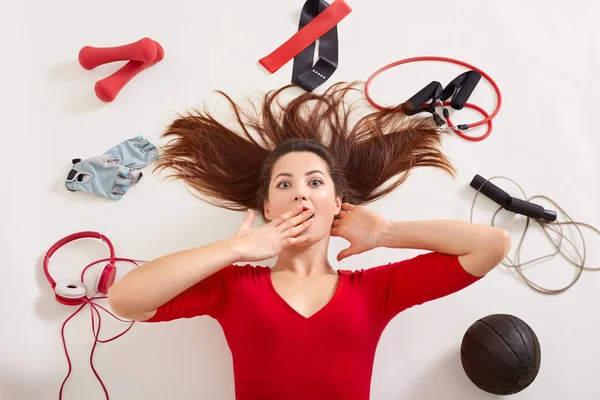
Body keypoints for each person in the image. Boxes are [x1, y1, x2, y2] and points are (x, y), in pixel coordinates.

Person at [108, 82, 511, 400]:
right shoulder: (233, 286)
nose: (301, 194)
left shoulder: (376, 291)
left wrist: (386, 234)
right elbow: (125, 300)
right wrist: (233, 250)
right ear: (268, 207)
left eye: (315, 183)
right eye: (285, 184)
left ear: (336, 202)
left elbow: (492, 245)